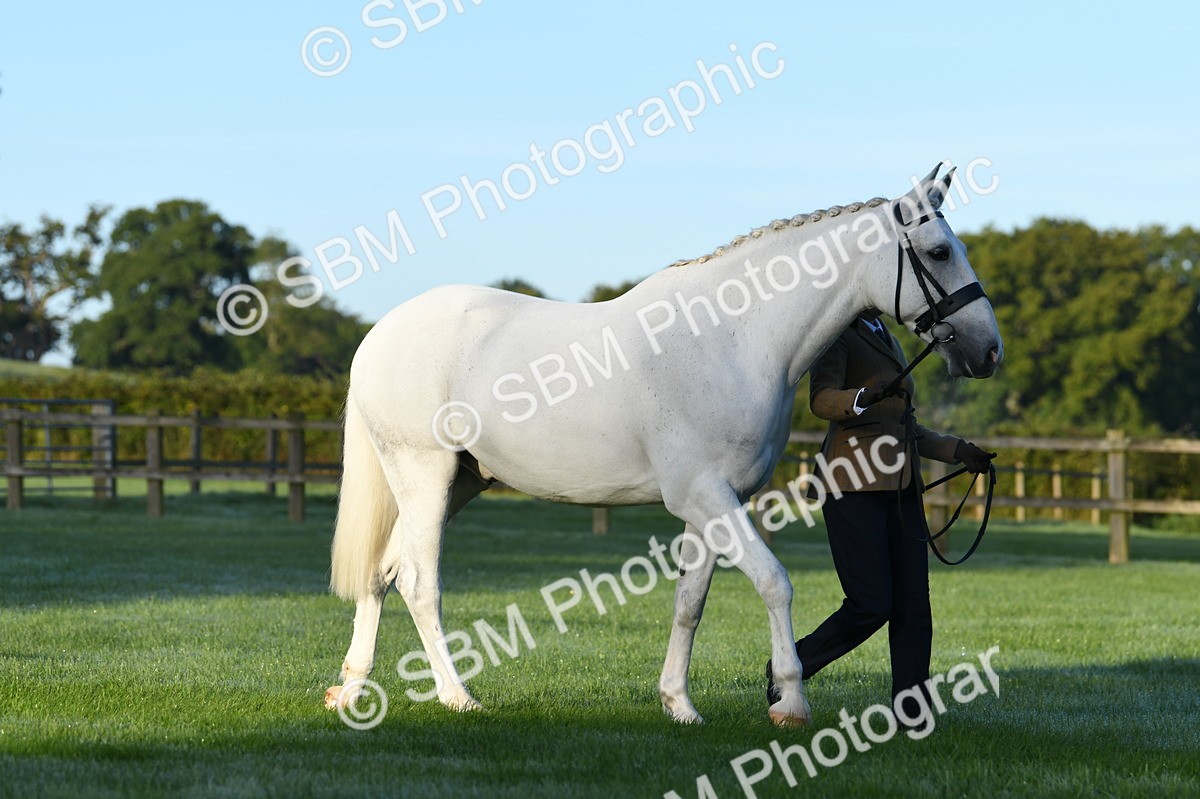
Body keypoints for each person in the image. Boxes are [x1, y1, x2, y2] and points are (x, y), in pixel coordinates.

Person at [766, 310, 995, 718]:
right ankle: (790, 666)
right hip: (851, 486)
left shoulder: (884, 334)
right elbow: (820, 399)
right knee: (870, 604)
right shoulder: (837, 336)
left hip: (902, 488)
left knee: (913, 606)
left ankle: (913, 712)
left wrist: (957, 449)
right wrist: (859, 397)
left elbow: (904, 426)